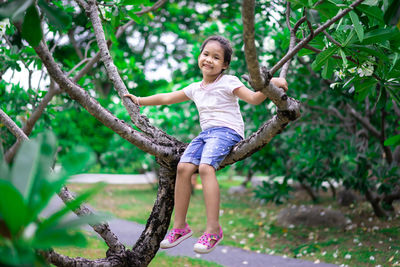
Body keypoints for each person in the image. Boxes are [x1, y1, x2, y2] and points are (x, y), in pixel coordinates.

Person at [124, 35, 288, 254]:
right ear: (199, 56)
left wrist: (272, 83)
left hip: (228, 132)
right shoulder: (195, 88)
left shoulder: (229, 81)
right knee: (183, 167)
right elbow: (166, 98)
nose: (209, 60)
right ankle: (180, 227)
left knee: (205, 168)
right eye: (206, 54)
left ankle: (213, 230)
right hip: (206, 135)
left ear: (225, 65)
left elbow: (254, 98)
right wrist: (139, 100)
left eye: (216, 57)